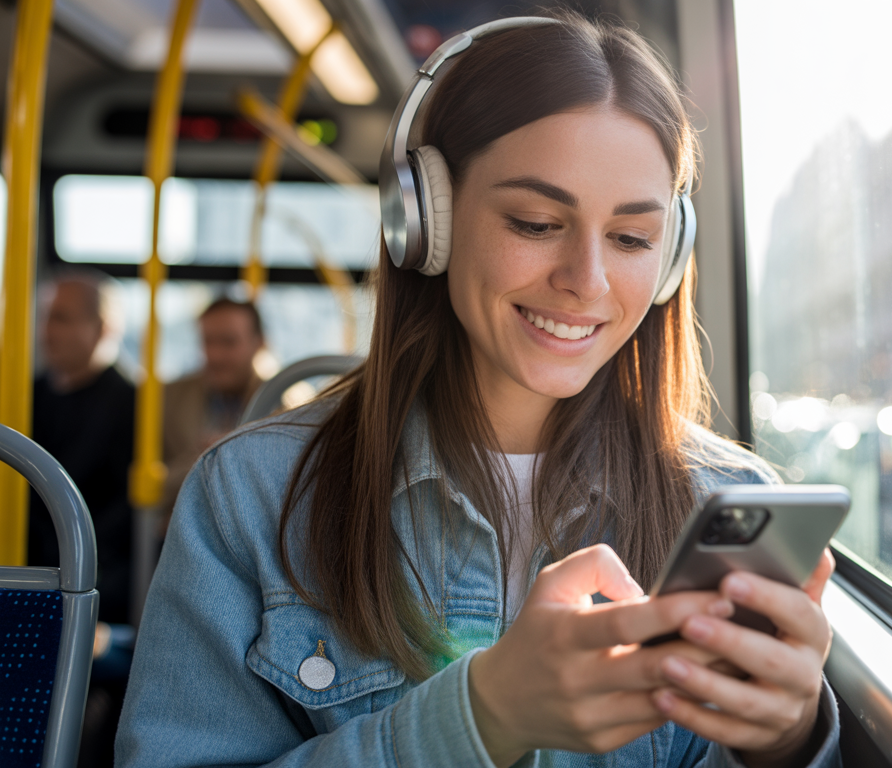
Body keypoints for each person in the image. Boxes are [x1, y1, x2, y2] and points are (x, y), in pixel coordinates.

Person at [117, 13, 839, 768]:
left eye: (630, 239)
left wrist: (786, 744)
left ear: (668, 259)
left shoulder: (723, 500)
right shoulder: (250, 498)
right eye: (535, 222)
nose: (587, 282)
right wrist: (476, 719)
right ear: (425, 219)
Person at [28, 270, 136, 768]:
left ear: (102, 328)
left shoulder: (133, 405)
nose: (49, 331)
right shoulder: (26, 396)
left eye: (63, 318)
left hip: (101, 590)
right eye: (48, 317)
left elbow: (124, 524)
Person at [161, 297, 266, 514]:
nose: (215, 355)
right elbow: (151, 483)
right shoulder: (169, 398)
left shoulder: (286, 405)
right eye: (208, 342)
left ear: (259, 344)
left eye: (228, 342)